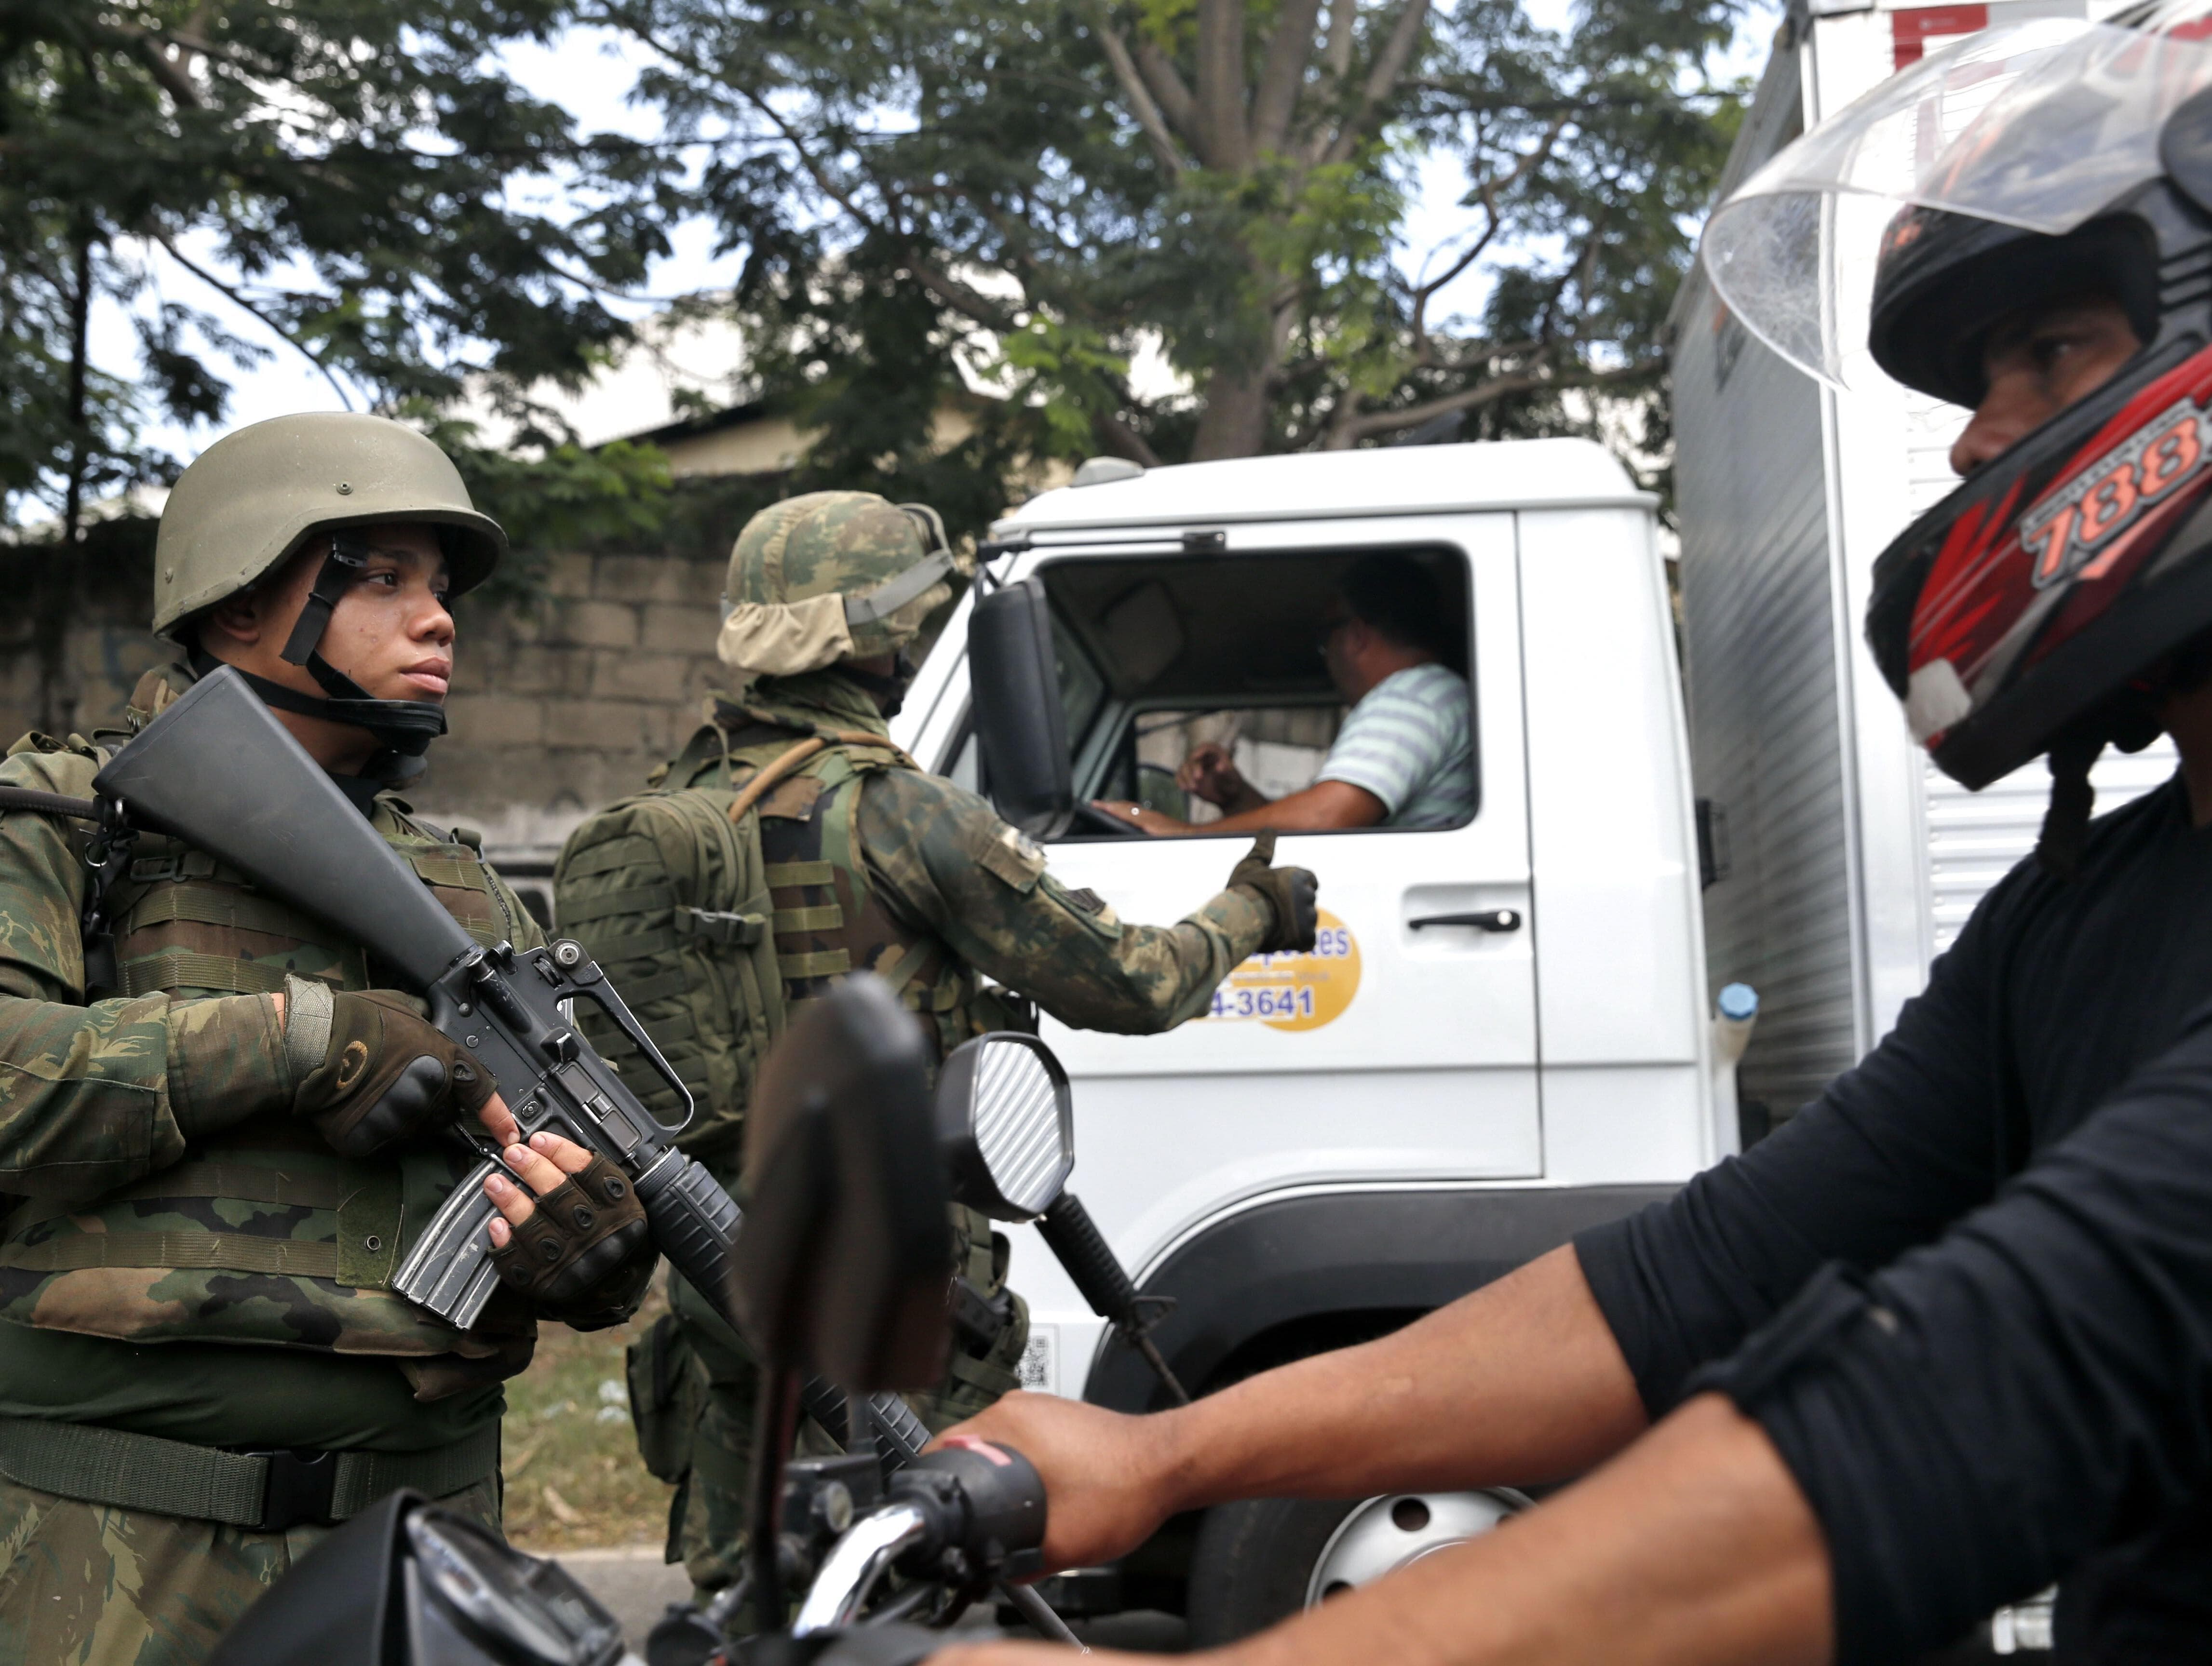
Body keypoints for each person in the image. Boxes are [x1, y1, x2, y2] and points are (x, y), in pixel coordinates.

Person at [934, 19, 2212, 1664]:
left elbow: (1965, 1395)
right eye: (1973, 387)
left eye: (2044, 354)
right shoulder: (2074, 914)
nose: (1977, 443)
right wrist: (1157, 1450)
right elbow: (1701, 1276)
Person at [0, 414, 657, 1665]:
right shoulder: (61, 827)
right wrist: (305, 1041)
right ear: (242, 603)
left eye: (443, 588)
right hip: (108, 1547)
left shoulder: (467, 892)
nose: (438, 618)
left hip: (424, 1546)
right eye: (382, 577)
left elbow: (580, 1170)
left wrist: (590, 1248)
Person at [597, 490, 1319, 1601]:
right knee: (907, 1603)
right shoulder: (903, 813)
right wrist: (1254, 908)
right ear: (883, 637)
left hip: (722, 1288)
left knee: (754, 1603)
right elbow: (1131, 982)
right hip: (889, 1310)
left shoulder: (679, 809)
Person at [1093, 553, 1473, 835]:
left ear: (1357, 636)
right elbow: (1315, 826)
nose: (1326, 659)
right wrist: (1235, 797)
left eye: (1327, 640)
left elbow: (1325, 819)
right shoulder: (1434, 696)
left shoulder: (1411, 697)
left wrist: (1181, 833)